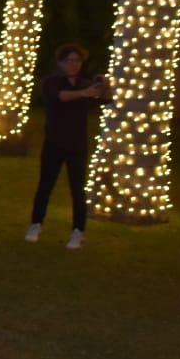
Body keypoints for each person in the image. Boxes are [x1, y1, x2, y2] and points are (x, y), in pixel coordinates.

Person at [25, 44, 107, 250]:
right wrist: (84, 93)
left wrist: (105, 86)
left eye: (77, 61)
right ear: (61, 62)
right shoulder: (51, 82)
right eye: (69, 60)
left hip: (77, 145)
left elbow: (106, 99)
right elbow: (60, 96)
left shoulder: (85, 84)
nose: (73, 65)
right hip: (54, 142)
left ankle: (78, 230)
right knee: (45, 186)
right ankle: (36, 224)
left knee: (78, 190)